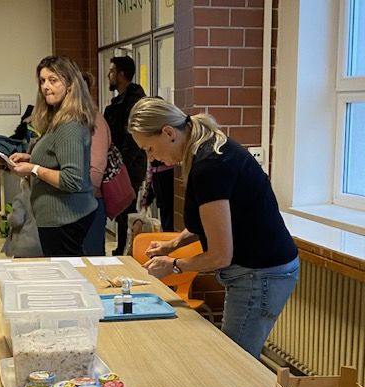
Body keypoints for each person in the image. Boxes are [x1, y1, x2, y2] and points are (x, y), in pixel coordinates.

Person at [128, 97, 299, 359]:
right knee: (234, 356)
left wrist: (174, 265)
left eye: (149, 148)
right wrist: (172, 245)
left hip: (261, 272)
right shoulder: (204, 148)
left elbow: (220, 256)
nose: (151, 158)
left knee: (234, 361)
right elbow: (212, 222)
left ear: (169, 133)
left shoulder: (209, 165)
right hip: (258, 269)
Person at [10, 55, 97, 256]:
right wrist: (30, 159)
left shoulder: (70, 125)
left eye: (53, 80)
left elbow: (71, 180)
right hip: (56, 218)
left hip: (65, 218)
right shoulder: (57, 119)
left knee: (66, 272)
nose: (46, 86)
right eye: (42, 81)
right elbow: (58, 159)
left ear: (70, 84)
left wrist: (33, 168)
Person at [104, 55, 147, 255]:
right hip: (119, 165)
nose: (109, 75)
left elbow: (131, 140)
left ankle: (128, 250)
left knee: (127, 209)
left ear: (121, 74)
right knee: (121, 211)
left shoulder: (134, 102)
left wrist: (121, 167)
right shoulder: (118, 103)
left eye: (112, 71)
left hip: (129, 166)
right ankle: (122, 247)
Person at [81, 71, 111, 256]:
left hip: (88, 201)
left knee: (91, 259)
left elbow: (98, 164)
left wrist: (85, 198)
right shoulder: (69, 119)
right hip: (74, 202)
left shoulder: (94, 119)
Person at [1, 178, 43, 258]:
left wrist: (9, 217)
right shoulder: (43, 197)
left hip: (24, 243)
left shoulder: (21, 198)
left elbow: (17, 220)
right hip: (41, 243)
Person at [141, 159, 175, 231]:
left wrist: (146, 197)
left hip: (164, 177)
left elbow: (149, 171)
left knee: (166, 212)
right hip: (162, 177)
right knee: (166, 212)